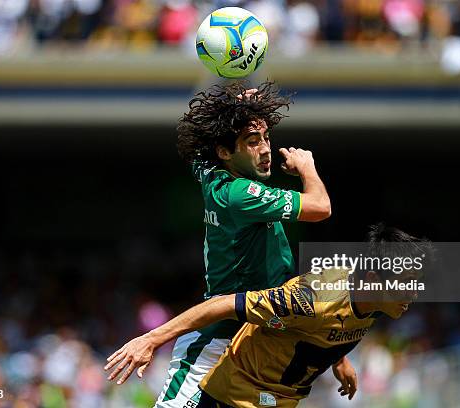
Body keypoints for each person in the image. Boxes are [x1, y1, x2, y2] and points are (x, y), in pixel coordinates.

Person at [144, 81, 345, 407]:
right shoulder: (241, 196)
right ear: (225, 152)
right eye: (252, 141)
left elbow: (200, 150)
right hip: (219, 342)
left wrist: (234, 109)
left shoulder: (211, 170)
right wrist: (307, 168)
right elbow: (321, 207)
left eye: (266, 137)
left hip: (258, 345)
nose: (265, 149)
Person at [105, 224, 433, 407]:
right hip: (235, 398)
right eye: (406, 284)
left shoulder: (373, 299)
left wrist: (338, 358)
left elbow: (335, 323)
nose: (415, 292)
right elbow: (220, 305)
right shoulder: (309, 301)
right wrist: (151, 340)